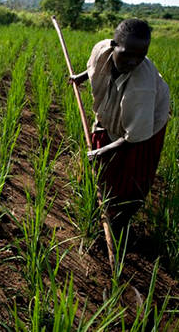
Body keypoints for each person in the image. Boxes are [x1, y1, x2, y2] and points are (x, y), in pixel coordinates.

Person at [70, 18, 170, 236]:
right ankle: (100, 201)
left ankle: (120, 222)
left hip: (146, 125)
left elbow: (133, 136)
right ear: (114, 46)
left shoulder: (141, 87)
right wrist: (80, 77)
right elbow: (97, 68)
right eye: (127, 55)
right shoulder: (102, 50)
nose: (133, 62)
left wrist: (101, 150)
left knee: (132, 176)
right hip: (114, 111)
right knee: (104, 166)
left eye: (140, 57)